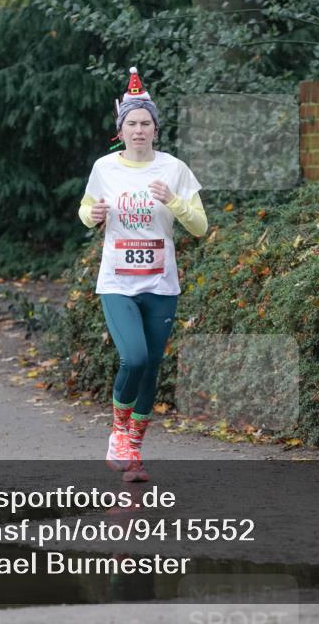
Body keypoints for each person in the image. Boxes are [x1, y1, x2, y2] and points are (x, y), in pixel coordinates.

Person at [78, 67, 208, 482]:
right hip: (117, 280)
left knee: (151, 365)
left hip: (160, 282)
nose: (138, 130)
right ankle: (118, 432)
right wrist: (92, 216)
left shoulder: (174, 169)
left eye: (145, 123)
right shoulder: (104, 168)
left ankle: (133, 453)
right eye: (131, 123)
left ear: (155, 129)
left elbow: (200, 227)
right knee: (132, 356)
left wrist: (173, 200)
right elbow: (86, 210)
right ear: (121, 129)